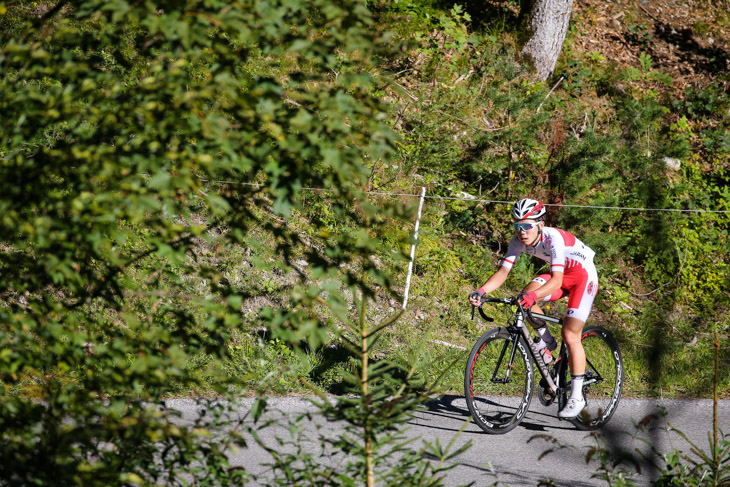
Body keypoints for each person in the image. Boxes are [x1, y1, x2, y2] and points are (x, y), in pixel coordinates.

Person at [468, 198, 599, 419]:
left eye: (527, 225)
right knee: (524, 298)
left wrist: (533, 295)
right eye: (517, 226)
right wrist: (481, 291)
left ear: (540, 223)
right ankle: (546, 342)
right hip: (560, 275)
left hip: (582, 277)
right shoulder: (517, 241)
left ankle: (577, 396)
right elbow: (502, 273)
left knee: (570, 333)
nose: (522, 231)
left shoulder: (553, 238)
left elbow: (557, 281)